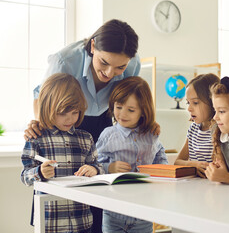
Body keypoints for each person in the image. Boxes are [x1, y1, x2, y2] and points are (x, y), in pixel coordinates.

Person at [24, 19, 159, 232]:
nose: (109, 73)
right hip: (69, 120)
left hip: (106, 120)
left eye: (119, 67)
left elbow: (130, 99)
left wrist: (145, 123)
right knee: (61, 184)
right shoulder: (65, 60)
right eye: (104, 63)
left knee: (98, 200)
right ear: (93, 46)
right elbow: (42, 97)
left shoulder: (133, 64)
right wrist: (43, 126)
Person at [21, 73, 103, 233]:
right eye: (62, 113)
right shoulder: (36, 138)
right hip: (51, 223)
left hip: (82, 221)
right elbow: (25, 176)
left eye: (75, 112)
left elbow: (98, 166)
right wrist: (40, 172)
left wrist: (94, 170)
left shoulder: (86, 139)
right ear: (47, 108)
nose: (70, 119)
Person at [96, 76, 167, 233]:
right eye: (119, 107)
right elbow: (94, 165)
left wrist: (159, 171)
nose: (122, 114)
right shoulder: (108, 135)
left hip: (143, 212)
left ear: (143, 111)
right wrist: (110, 167)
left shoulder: (152, 134)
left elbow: (161, 158)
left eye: (131, 110)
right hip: (114, 213)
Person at [174, 73, 220, 177]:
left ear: (211, 101)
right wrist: (193, 165)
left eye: (195, 103)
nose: (189, 108)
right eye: (188, 103)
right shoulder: (193, 129)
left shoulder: (220, 129)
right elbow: (177, 162)